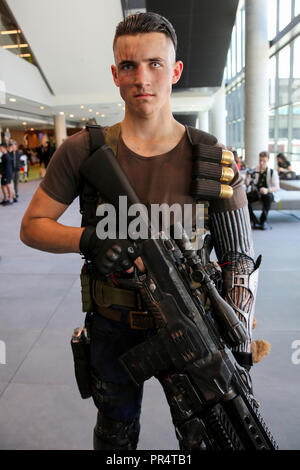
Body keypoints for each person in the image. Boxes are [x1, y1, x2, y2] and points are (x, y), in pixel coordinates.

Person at [20, 12, 261, 450]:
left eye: (155, 63)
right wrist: (88, 240)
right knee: (115, 435)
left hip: (192, 326)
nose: (142, 78)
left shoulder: (209, 155)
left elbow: (239, 257)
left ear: (176, 71)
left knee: (205, 437)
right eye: (129, 66)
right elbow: (32, 227)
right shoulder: (85, 151)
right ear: (115, 74)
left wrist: (238, 329)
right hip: (112, 326)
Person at [246, 151, 280, 230]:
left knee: (268, 197)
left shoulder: (272, 172)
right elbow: (247, 184)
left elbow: (277, 187)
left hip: (267, 192)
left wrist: (267, 190)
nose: (261, 163)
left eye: (264, 161)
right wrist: (247, 178)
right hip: (256, 192)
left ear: (268, 160)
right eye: (260, 160)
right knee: (245, 199)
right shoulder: (254, 170)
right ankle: (254, 220)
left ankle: (263, 221)